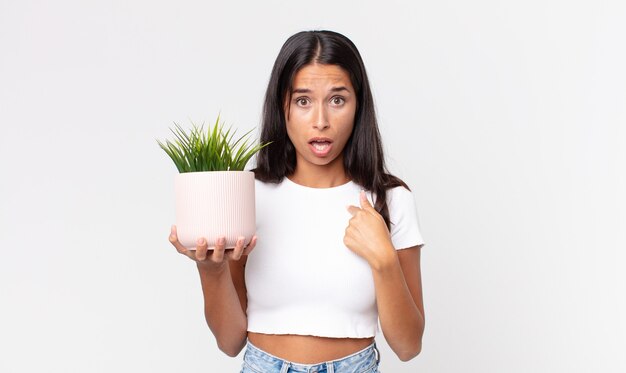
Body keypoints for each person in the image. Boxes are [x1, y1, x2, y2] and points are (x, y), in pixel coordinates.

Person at [168, 30, 425, 373]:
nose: (321, 121)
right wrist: (211, 269)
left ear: (358, 105)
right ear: (282, 106)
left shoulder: (390, 200)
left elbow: (408, 347)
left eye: (337, 100)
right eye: (303, 101)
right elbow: (229, 342)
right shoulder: (249, 193)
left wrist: (384, 261)